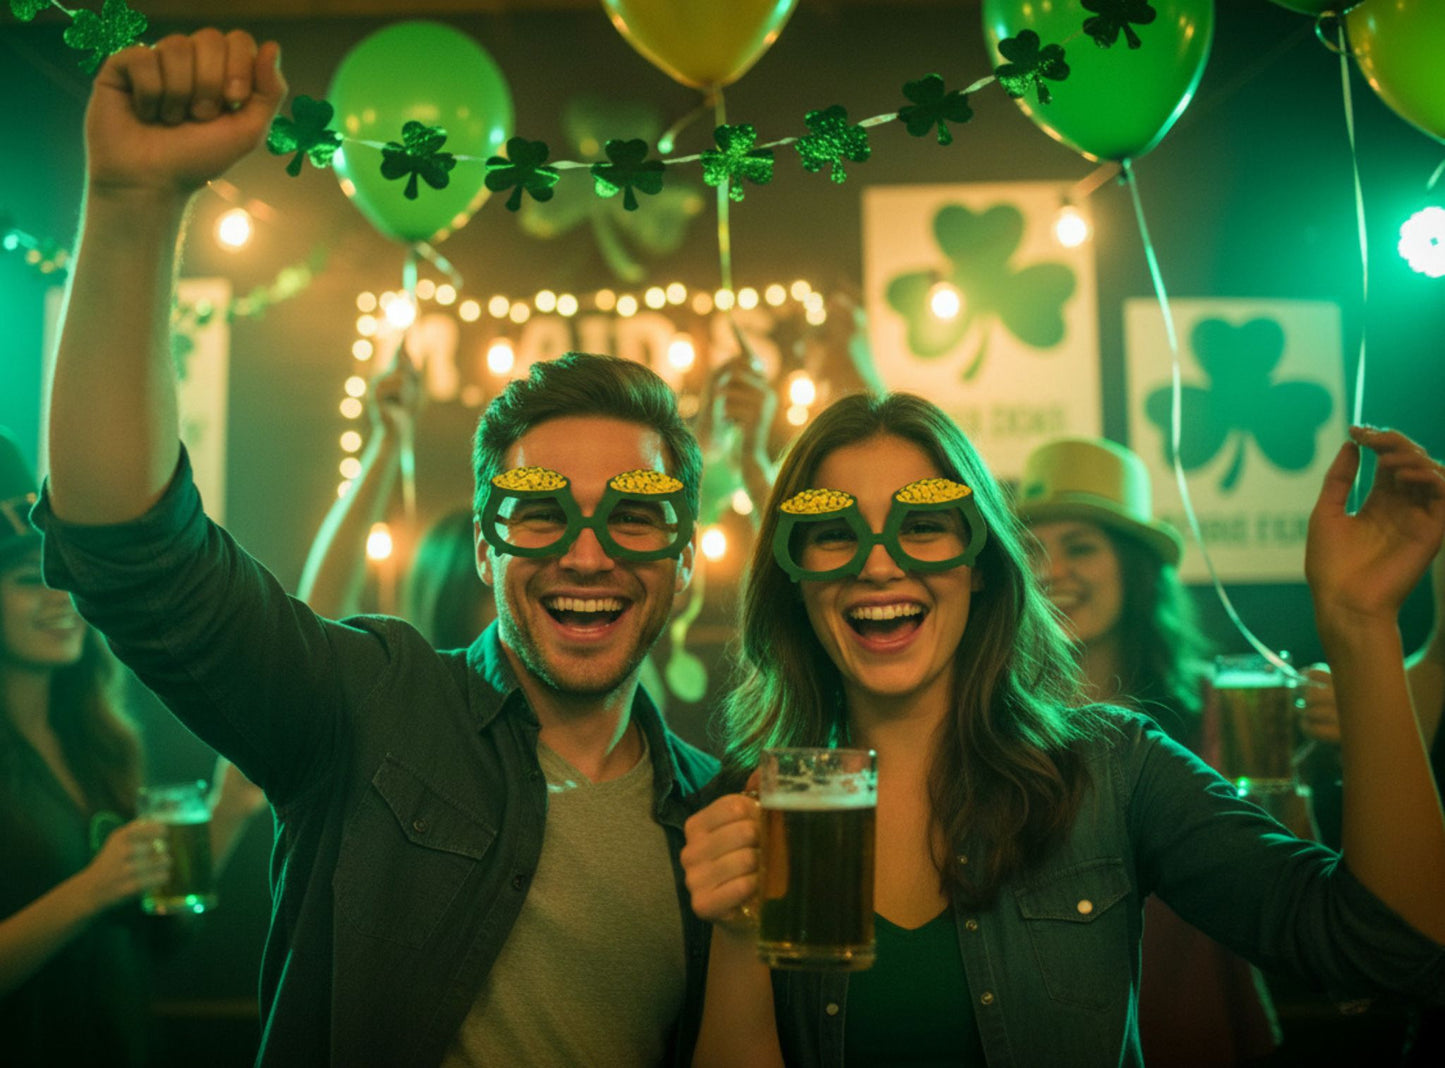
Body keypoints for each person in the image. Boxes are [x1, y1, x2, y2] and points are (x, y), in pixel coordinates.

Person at [34, 29, 717, 1068]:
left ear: (682, 558)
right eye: (537, 510)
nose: (587, 552)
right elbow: (132, 552)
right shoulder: (367, 709)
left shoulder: (720, 815)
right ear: (485, 549)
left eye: (635, 513)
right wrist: (133, 209)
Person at [680, 391, 1445, 1067]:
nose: (878, 566)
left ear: (979, 562)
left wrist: (1358, 619)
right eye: (833, 533)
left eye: (924, 526)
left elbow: (1387, 952)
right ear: (794, 575)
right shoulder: (742, 807)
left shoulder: (1112, 768)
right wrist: (742, 925)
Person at [0, 428, 265, 1067]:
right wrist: (93, 888)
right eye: (29, 580)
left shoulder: (100, 739)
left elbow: (154, 934)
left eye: (64, 577)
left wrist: (228, 810)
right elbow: (100, 897)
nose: (59, 598)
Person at [1015, 435, 1279, 1065]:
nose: (1053, 571)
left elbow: (1289, 881)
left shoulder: (1219, 709)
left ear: (1135, 569)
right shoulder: (995, 725)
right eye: (1034, 553)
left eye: (1081, 547)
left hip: (1197, 1027)